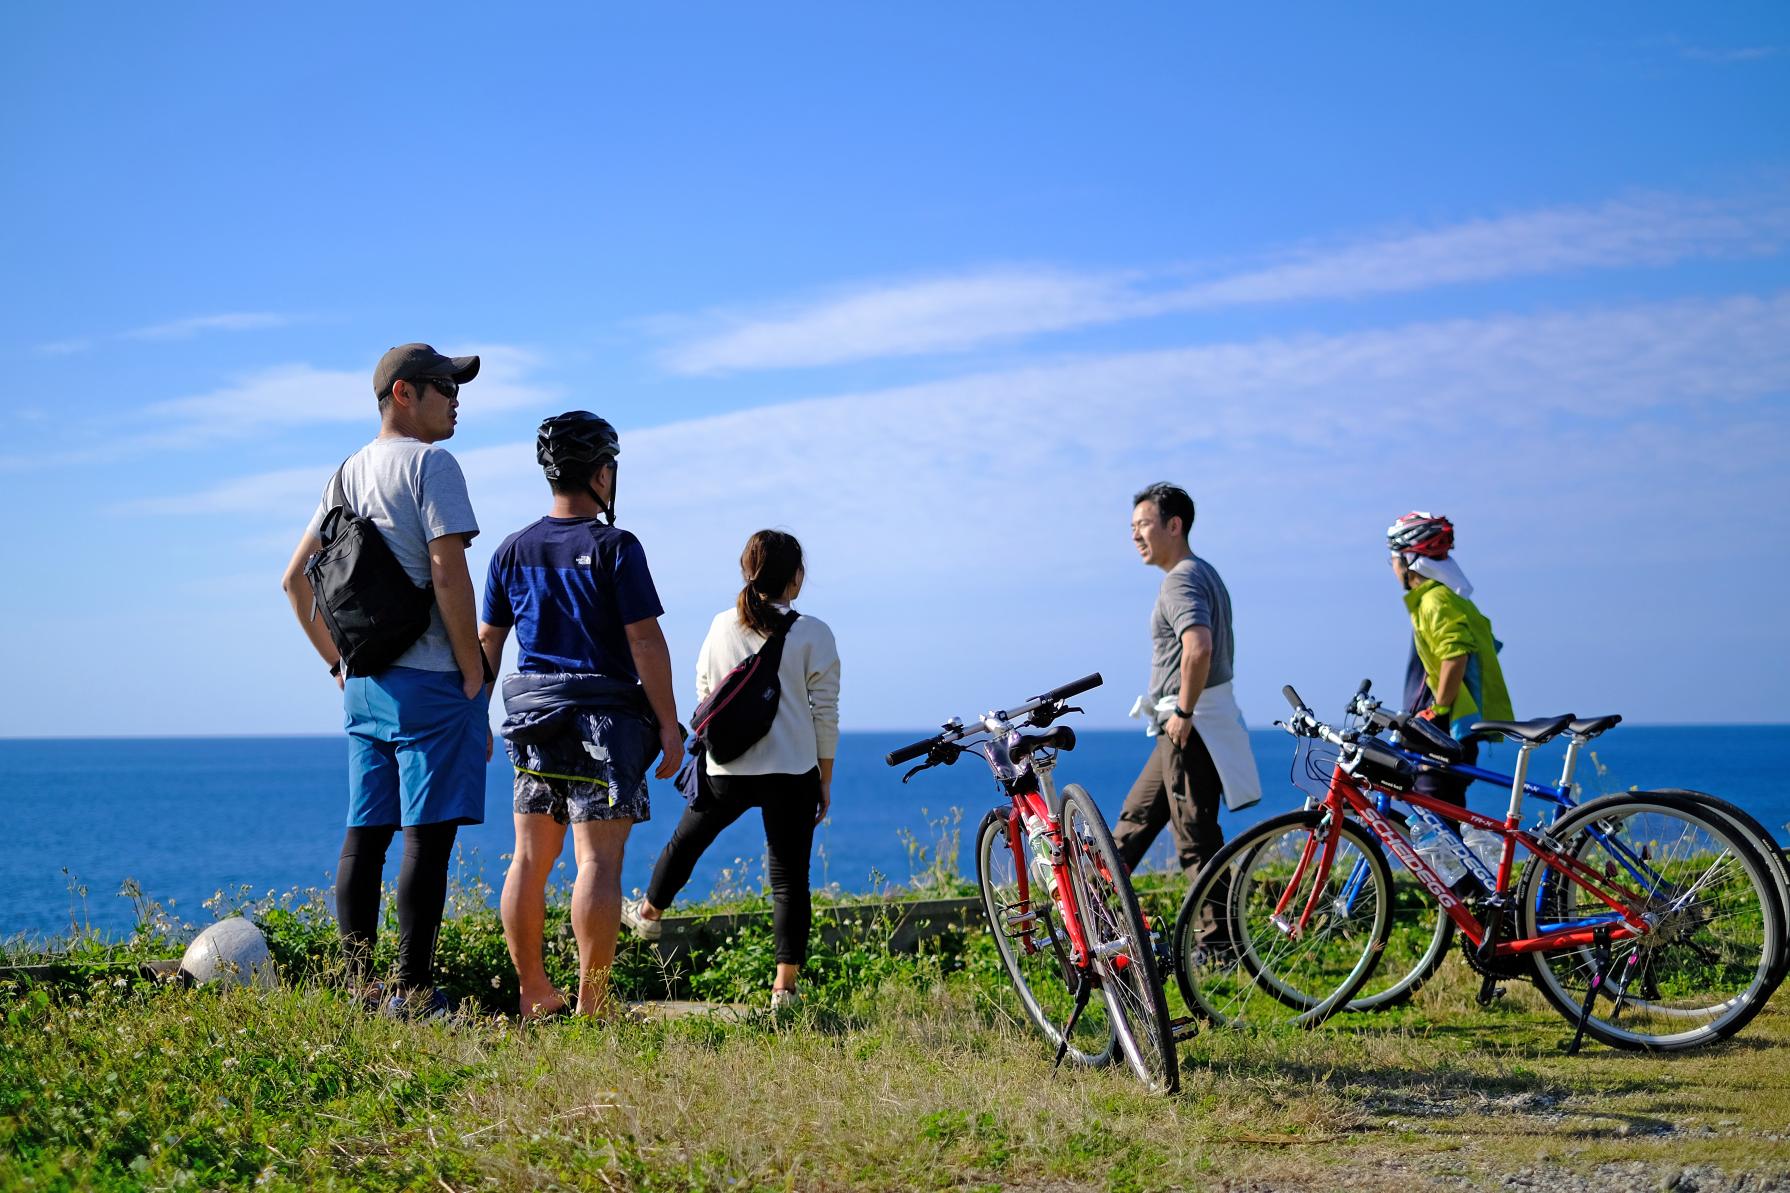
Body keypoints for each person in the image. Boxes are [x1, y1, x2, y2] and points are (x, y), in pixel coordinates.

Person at [280, 343, 489, 1018]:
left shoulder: (345, 471)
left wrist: (336, 663)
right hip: (430, 678)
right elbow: (449, 572)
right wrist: (473, 671)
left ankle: (363, 990)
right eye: (445, 386)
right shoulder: (433, 464)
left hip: (366, 681)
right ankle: (415, 991)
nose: (457, 398)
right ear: (405, 392)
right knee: (427, 836)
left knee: (365, 833)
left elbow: (293, 580)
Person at [478, 412, 683, 1019]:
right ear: (602, 473)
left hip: (534, 721)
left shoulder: (512, 549)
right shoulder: (616, 547)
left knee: (528, 860)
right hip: (605, 723)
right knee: (597, 861)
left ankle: (534, 992)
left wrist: (475, 718)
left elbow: (488, 641)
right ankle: (593, 1001)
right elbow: (645, 641)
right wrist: (669, 725)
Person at [623, 530, 840, 1008]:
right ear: (796, 578)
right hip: (794, 770)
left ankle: (649, 913)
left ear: (748, 572)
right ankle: (784, 987)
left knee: (686, 843)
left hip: (726, 767)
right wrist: (824, 778)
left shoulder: (722, 624)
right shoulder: (814, 633)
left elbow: (705, 689)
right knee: (789, 878)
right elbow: (825, 711)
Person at [1114, 482, 1259, 880]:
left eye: (1143, 524)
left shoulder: (1180, 580)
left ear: (1173, 525)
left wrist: (1183, 710)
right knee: (1135, 823)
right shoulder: (1204, 572)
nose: (1135, 535)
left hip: (1188, 726)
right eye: (1132, 527)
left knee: (1194, 837)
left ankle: (1216, 942)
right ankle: (1094, 918)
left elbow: (1198, 647)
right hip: (1186, 725)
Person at [1386, 512, 1514, 803]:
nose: (1392, 567)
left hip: (1445, 727)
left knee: (1435, 810)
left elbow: (1455, 656)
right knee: (1444, 810)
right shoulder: (1445, 598)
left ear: (1408, 561)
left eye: (1393, 559)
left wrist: (1437, 709)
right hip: (1449, 727)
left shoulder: (1434, 600)